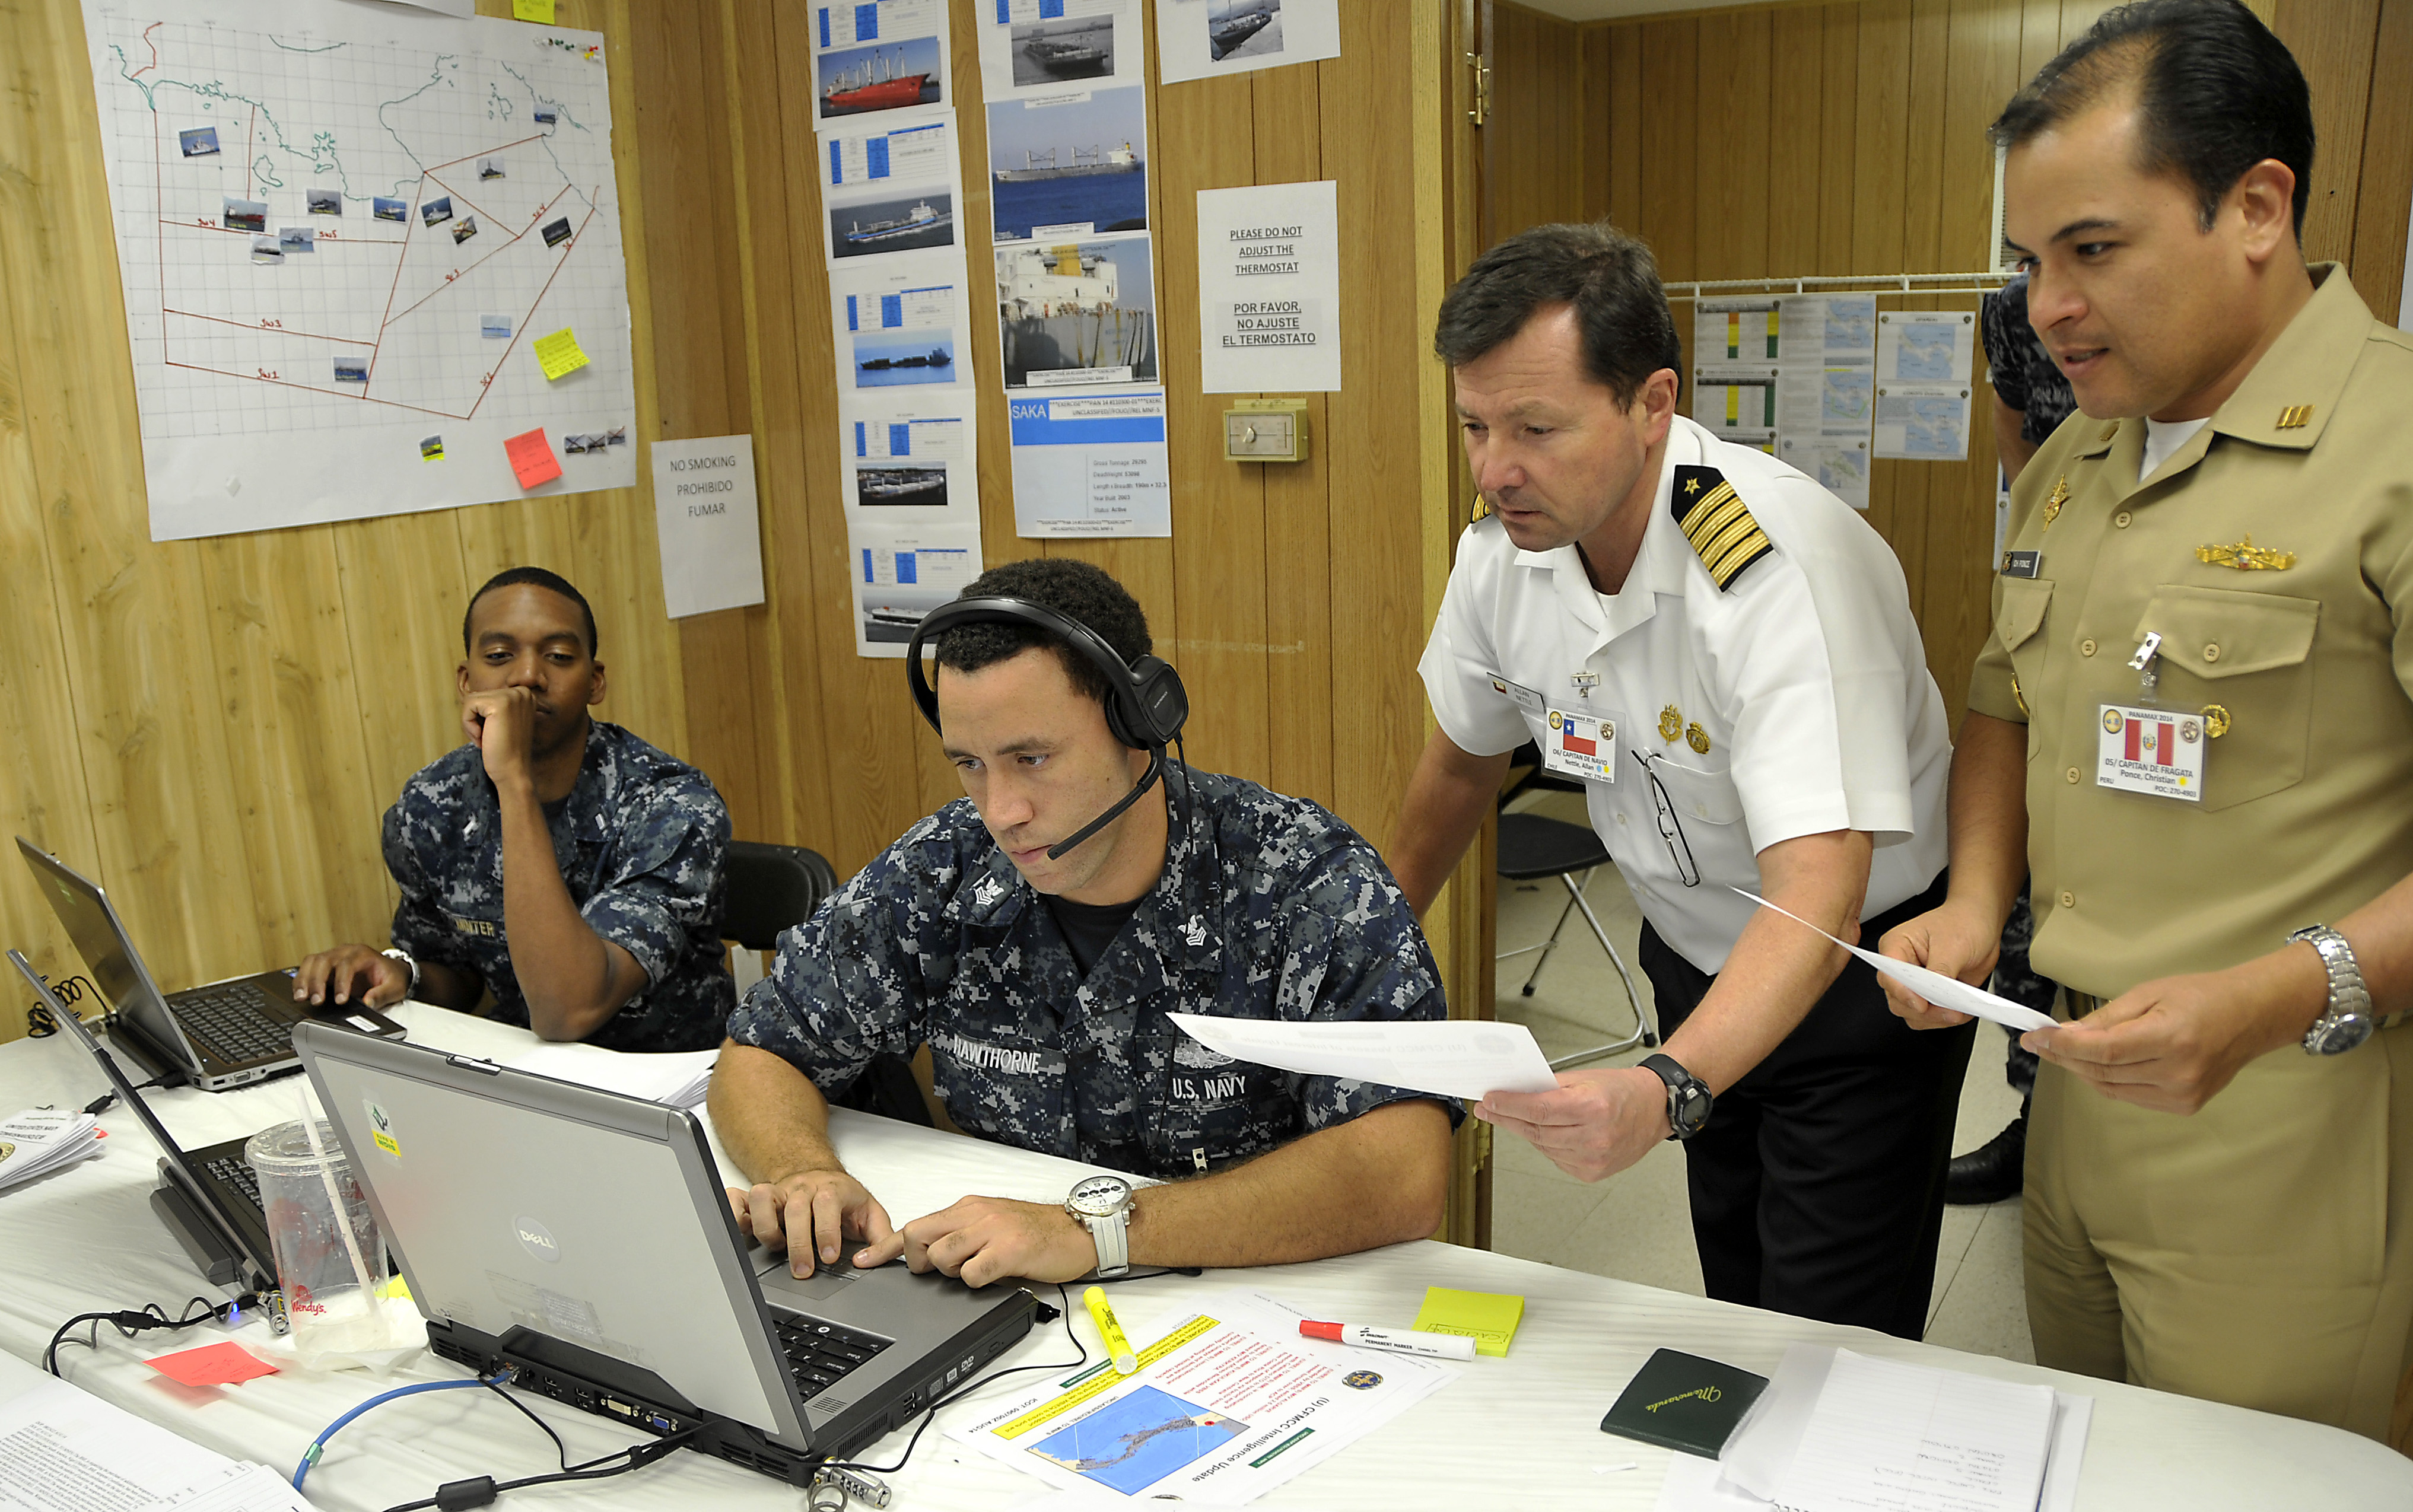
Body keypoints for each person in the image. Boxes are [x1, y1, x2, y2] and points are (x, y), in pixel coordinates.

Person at [1879, 0, 2413, 1446]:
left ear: (2254, 207)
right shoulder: (2075, 462)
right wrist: (1980, 900)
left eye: (2092, 249)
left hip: (2292, 1121)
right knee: (2097, 1461)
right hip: (2075, 1091)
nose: (2048, 303)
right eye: (2031, 261)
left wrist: (2278, 995)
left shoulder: (2394, 450)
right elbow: (2004, 695)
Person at [1387, 221, 1969, 1338]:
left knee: (1829, 1336)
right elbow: (1458, 767)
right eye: (1473, 424)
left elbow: (1820, 885)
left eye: (1536, 427)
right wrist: (1358, 961)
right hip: (1691, 952)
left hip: (1858, 976)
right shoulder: (1499, 552)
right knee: (1739, 1295)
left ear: (1653, 404)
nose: (1493, 466)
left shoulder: (1771, 564)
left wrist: (1665, 1085)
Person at [709, 558, 1455, 1289]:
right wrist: (802, 1169)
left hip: (1257, 1298)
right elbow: (762, 1051)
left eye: (1031, 757)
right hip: (1016, 1302)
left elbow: (1402, 1168)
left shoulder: (1303, 878)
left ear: (1139, 722)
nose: (1000, 810)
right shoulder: (943, 867)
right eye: (969, 763)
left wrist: (1094, 1231)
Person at [293, 567, 735, 1053]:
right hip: (522, 1075)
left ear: (595, 681)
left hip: (663, 1086)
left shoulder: (672, 804)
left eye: (559, 656)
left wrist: (514, 782)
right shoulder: (430, 803)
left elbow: (570, 1009)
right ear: (467, 681)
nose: (527, 676)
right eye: (500, 656)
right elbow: (461, 975)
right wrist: (405, 973)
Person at [1946, 275, 2084, 1206]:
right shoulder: (2010, 315)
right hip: (2062, 622)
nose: (2051, 300)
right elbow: (2020, 463)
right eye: (2032, 257)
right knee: (2030, 935)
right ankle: (2040, 1121)